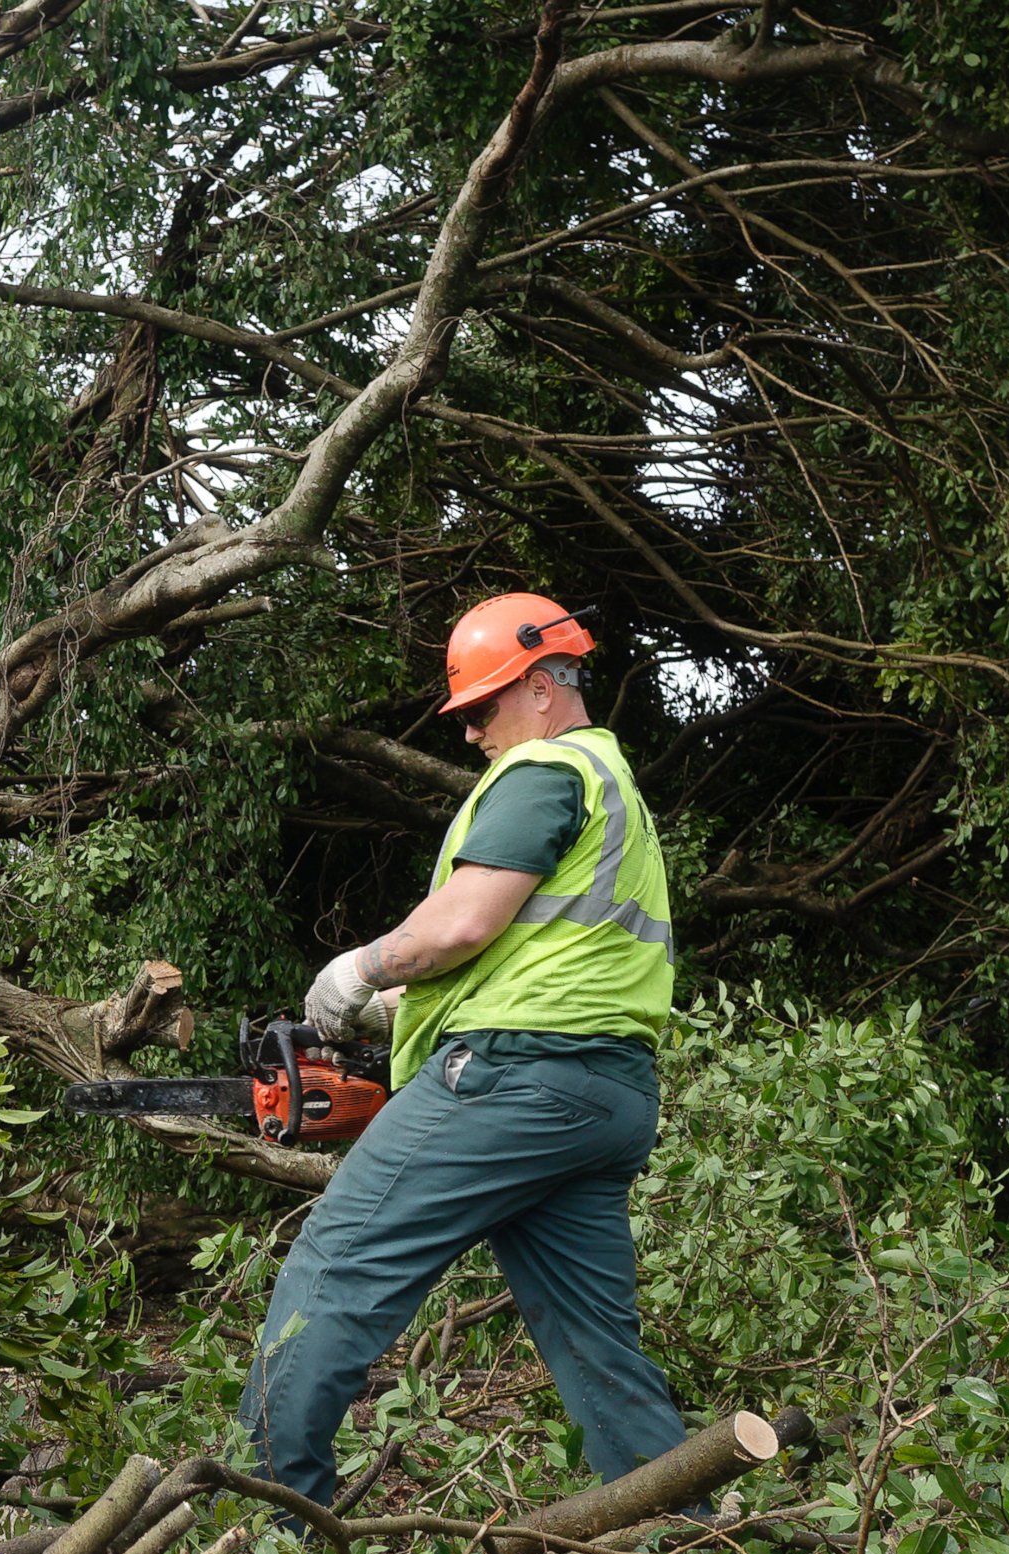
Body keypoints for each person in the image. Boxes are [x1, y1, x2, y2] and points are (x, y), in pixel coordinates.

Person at [239, 592, 686, 1507]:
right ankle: (689, 1538)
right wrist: (395, 1010)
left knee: (336, 1262)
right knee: (598, 1346)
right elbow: (533, 956)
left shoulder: (547, 770)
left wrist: (359, 967)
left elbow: (468, 921)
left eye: (481, 709)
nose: (473, 734)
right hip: (605, 1096)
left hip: (514, 1080)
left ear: (539, 688)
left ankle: (263, 1521)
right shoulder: (615, 788)